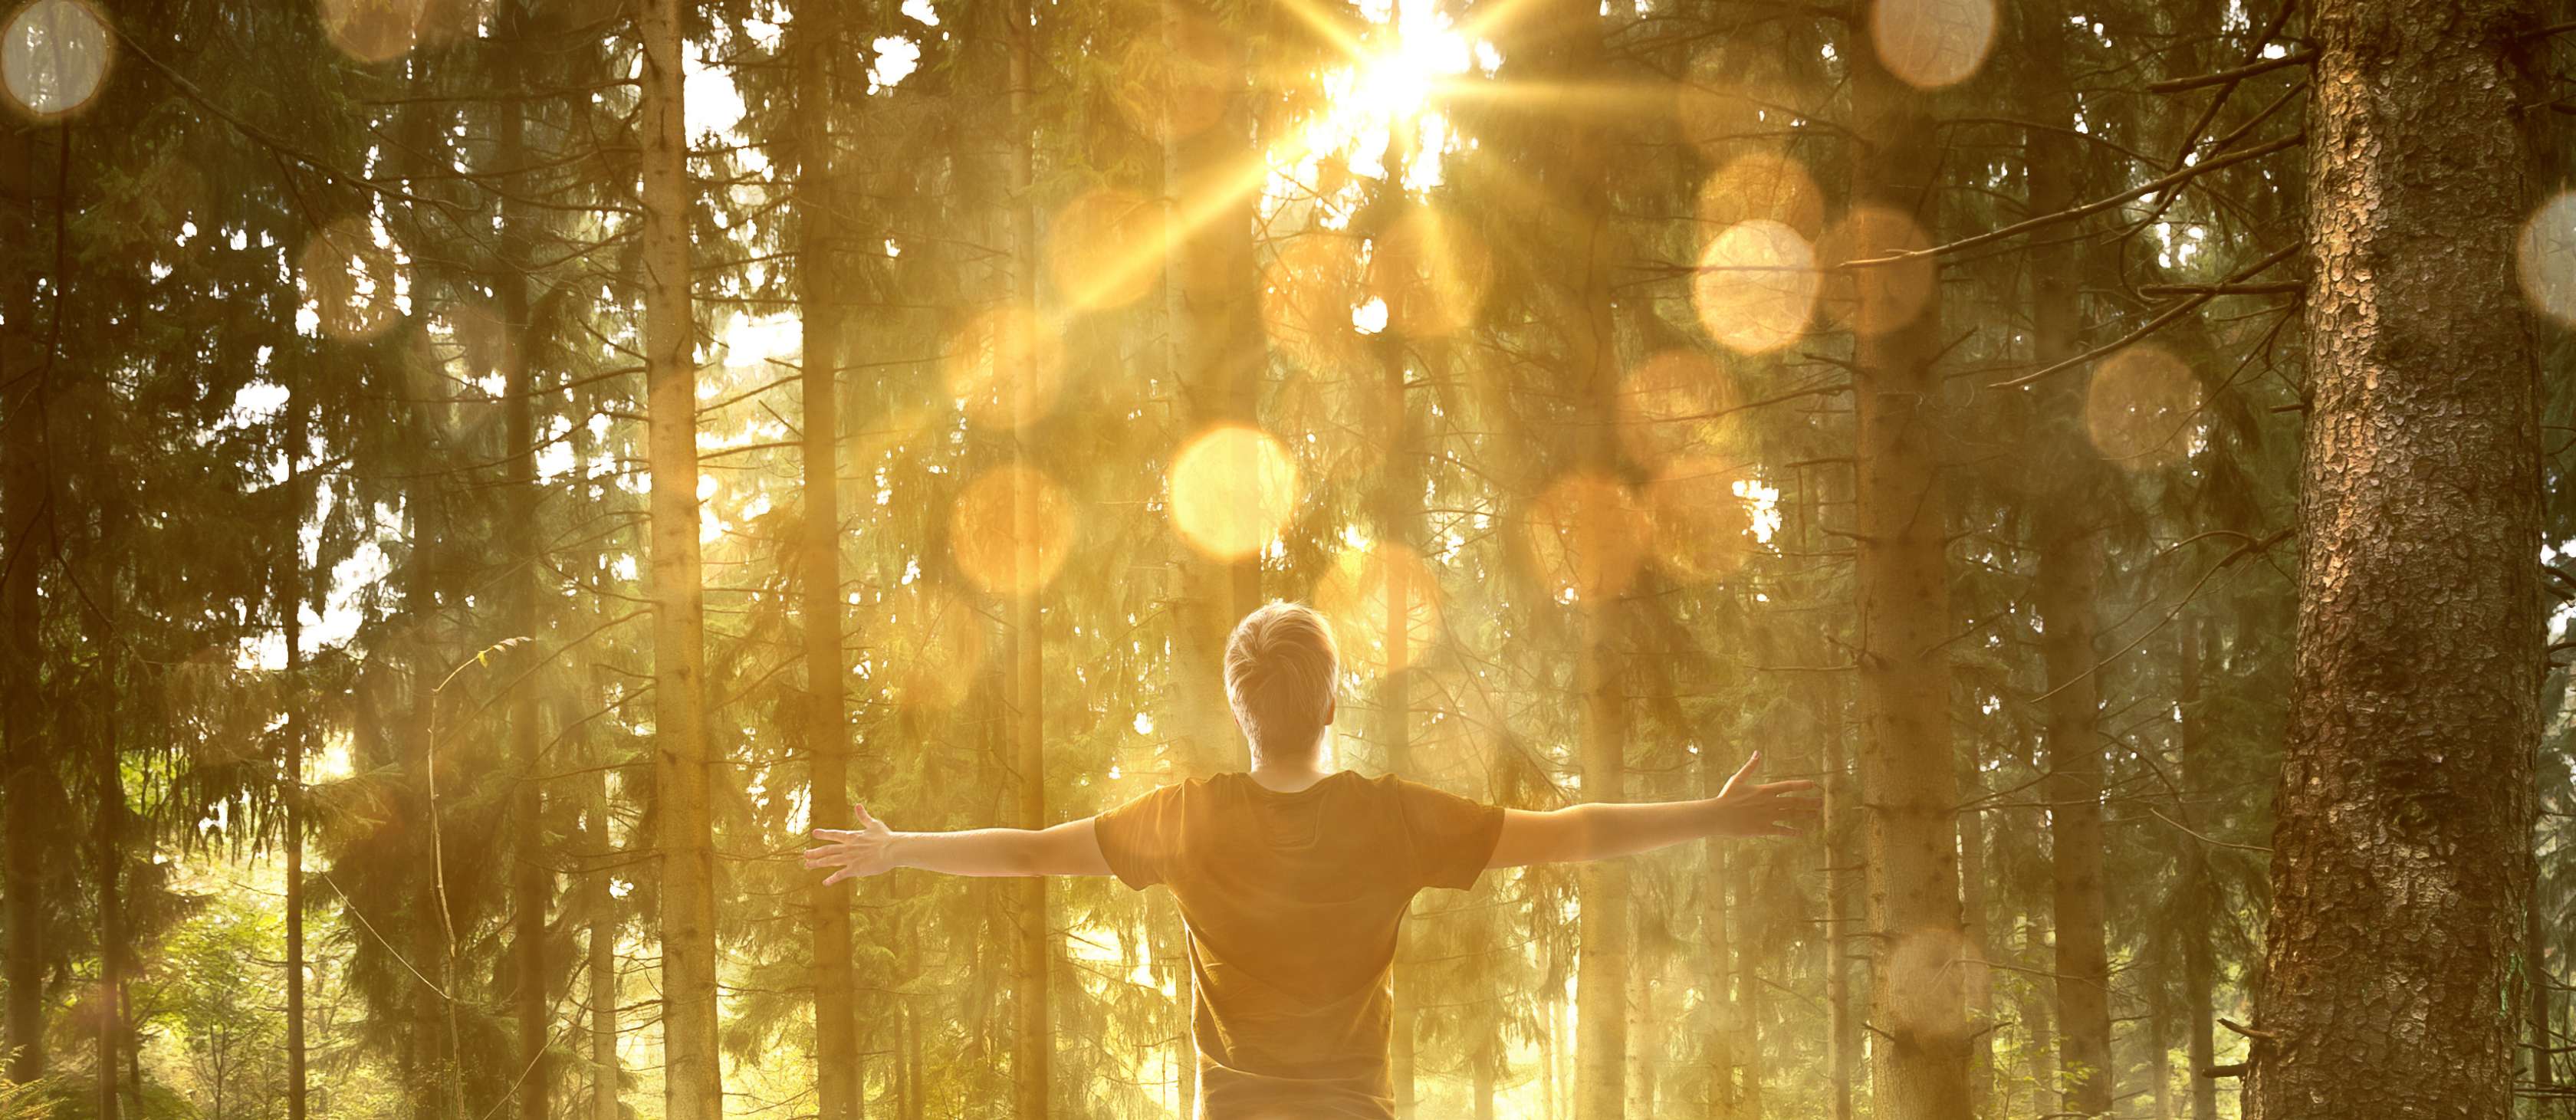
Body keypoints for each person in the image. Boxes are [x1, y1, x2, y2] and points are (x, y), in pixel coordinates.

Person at [803, 601, 1821, 1118]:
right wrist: (1714, 816)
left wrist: (899, 849)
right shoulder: (1392, 820)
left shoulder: (1189, 820)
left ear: (1240, 709)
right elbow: (1570, 832)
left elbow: (1031, 854)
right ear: (1333, 702)